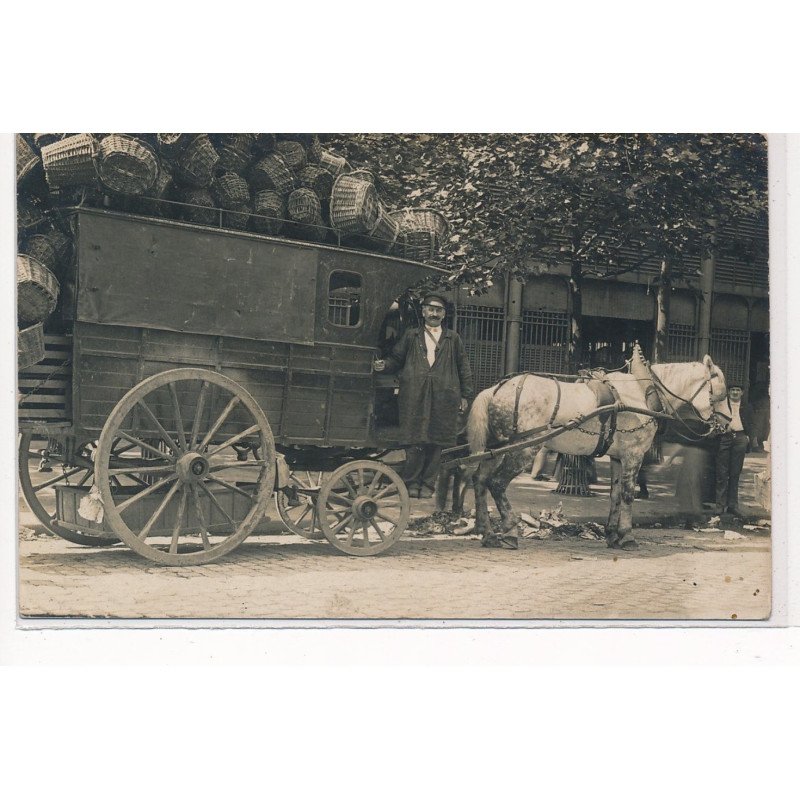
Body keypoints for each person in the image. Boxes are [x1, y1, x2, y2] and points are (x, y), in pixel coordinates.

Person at [373, 294, 474, 498]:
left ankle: (428, 485)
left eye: (438, 310)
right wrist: (384, 365)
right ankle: (411, 483)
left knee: (437, 442)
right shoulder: (412, 335)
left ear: (444, 314)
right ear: (423, 312)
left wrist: (465, 395)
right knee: (415, 439)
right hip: (415, 394)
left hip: (444, 396)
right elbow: (396, 358)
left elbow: (464, 367)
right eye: (431, 309)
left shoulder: (453, 338)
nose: (434, 314)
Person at [714, 383, 754, 516]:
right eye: (732, 390)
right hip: (725, 438)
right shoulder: (722, 405)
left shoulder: (747, 406)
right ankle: (720, 505)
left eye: (738, 390)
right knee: (722, 472)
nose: (735, 392)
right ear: (729, 392)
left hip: (741, 438)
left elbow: (753, 423)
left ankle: (732, 505)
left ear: (742, 393)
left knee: (735, 473)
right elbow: (715, 420)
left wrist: (749, 437)